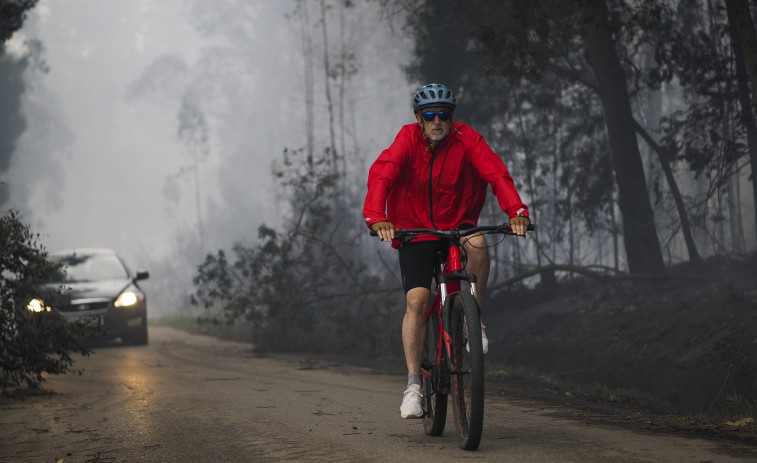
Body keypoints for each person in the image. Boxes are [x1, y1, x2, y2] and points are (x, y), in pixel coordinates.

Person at [363, 83, 531, 419]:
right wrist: (377, 217)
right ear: (419, 119)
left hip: (459, 226)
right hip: (415, 231)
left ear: (452, 118)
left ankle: (472, 323)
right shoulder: (407, 140)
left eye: (444, 115)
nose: (437, 121)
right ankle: (413, 386)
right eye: (430, 115)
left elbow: (496, 173)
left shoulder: (467, 138)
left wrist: (516, 211)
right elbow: (382, 174)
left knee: (480, 244)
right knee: (418, 301)